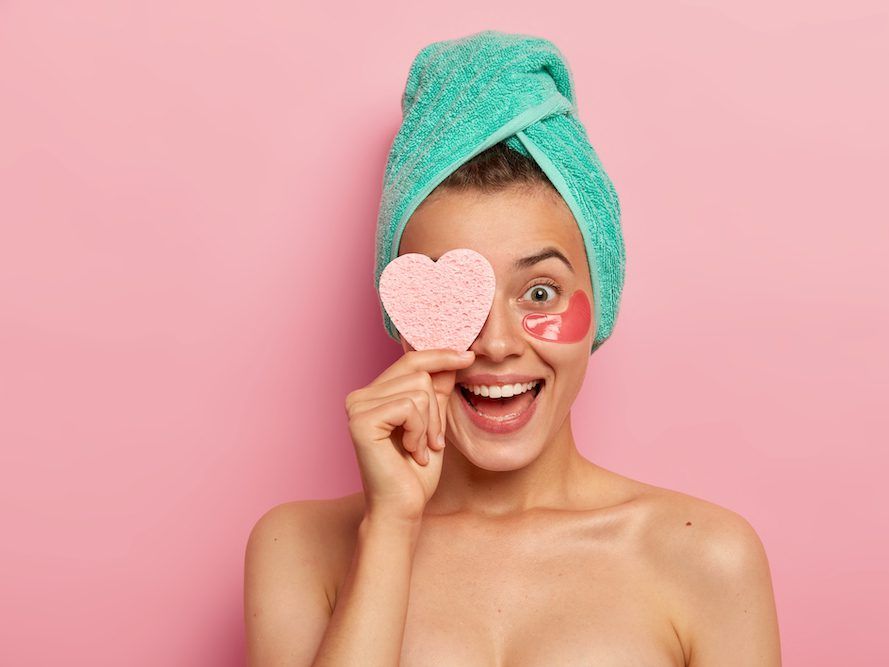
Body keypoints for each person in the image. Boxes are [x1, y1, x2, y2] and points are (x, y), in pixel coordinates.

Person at [245, 31, 781, 667]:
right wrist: (389, 529)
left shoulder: (707, 557)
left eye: (541, 292)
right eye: (458, 297)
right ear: (403, 310)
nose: (496, 345)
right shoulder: (300, 549)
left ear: (602, 298)